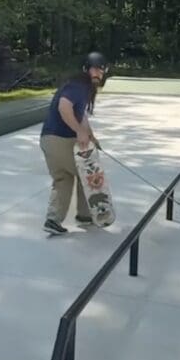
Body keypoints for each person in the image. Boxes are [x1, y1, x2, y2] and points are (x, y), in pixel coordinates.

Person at [40, 52, 108, 236]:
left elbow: (81, 115)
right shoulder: (79, 85)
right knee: (87, 172)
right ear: (86, 69)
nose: (97, 74)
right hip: (61, 138)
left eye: (100, 71)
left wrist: (90, 136)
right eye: (94, 69)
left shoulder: (79, 87)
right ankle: (86, 214)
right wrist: (78, 131)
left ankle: (53, 220)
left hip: (48, 139)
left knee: (63, 179)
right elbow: (64, 106)